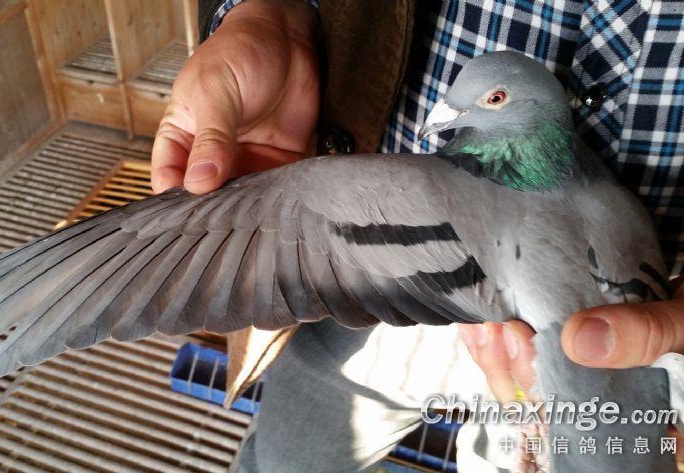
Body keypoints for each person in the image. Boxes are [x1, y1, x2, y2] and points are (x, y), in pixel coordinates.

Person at [150, 1, 684, 471]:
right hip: (382, 256)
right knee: (285, 459)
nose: (447, 115)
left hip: (635, 327)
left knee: (532, 453)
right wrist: (267, 14)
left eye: (494, 99)